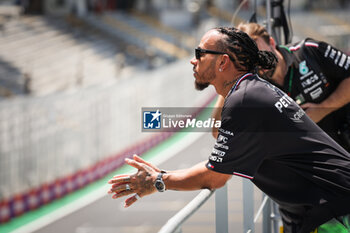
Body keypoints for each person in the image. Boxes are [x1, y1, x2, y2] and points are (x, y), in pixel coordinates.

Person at [108, 27, 350, 233]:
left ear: (223, 61)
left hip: (334, 211)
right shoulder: (252, 90)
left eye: (200, 53)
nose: (193, 60)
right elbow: (219, 148)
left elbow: (216, 176)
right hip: (330, 205)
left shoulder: (244, 99)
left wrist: (158, 181)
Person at [212, 23, 350, 154]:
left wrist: (324, 108)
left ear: (271, 43)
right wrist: (229, 82)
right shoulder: (252, 86)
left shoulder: (309, 50)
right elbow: (218, 132)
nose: (260, 64)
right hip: (317, 163)